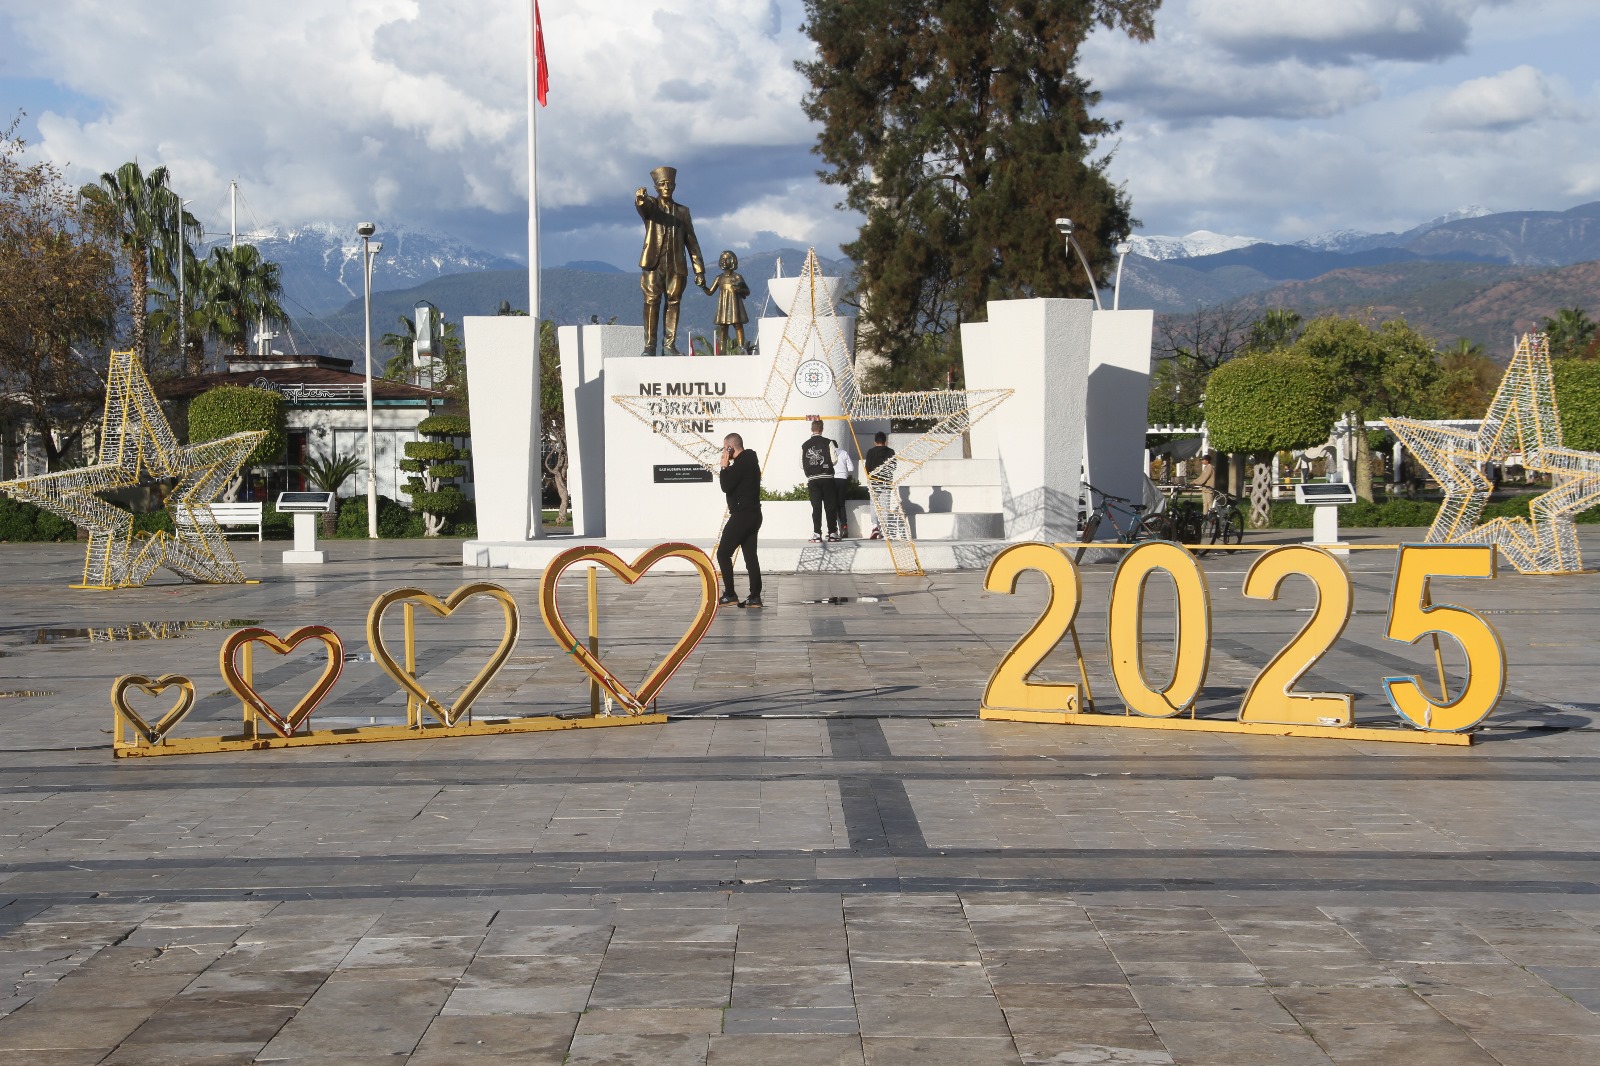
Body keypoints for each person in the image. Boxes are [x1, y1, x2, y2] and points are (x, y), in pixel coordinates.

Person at [635, 165, 705, 356]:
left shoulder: (683, 211)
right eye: (662, 184)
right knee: (651, 301)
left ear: (674, 186)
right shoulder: (652, 207)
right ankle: (649, 346)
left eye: (669, 184)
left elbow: (692, 241)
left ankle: (669, 345)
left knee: (673, 302)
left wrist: (699, 269)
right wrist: (640, 199)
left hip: (676, 265)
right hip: (653, 264)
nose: (666, 187)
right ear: (656, 187)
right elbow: (644, 207)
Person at [717, 433, 762, 609]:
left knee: (723, 553)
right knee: (750, 556)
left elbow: (725, 486)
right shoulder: (751, 461)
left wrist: (724, 467)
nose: (723, 451)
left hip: (742, 515)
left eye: (724, 447)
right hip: (754, 514)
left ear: (730, 447)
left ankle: (730, 594)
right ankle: (755, 597)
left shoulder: (741, 464)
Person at [703, 250, 751, 354]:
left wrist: (739, 290)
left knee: (738, 325)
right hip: (723, 305)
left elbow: (747, 291)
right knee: (723, 326)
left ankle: (741, 348)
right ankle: (722, 350)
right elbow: (710, 292)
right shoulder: (719, 278)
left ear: (732, 261)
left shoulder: (737, 277)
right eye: (722, 259)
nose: (723, 261)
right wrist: (702, 286)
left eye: (726, 259)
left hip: (735, 305)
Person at [800, 419, 839, 543]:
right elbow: (834, 460)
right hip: (827, 478)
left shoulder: (805, 445)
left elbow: (801, 464)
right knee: (830, 506)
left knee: (816, 507)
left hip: (813, 479)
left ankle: (817, 533)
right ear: (822, 429)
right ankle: (832, 533)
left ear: (812, 429)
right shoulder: (828, 442)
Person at [863, 432, 895, 539]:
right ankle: (884, 529)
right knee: (885, 506)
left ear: (875, 442)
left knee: (874, 505)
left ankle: (875, 527)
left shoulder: (870, 452)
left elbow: (867, 467)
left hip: (874, 482)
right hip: (886, 482)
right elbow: (893, 467)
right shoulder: (891, 452)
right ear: (885, 442)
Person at [831, 443, 855, 540]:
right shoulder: (844, 453)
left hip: (832, 480)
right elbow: (851, 468)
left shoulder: (829, 454)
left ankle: (833, 530)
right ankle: (844, 527)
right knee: (841, 505)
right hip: (843, 480)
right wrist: (844, 472)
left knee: (832, 505)